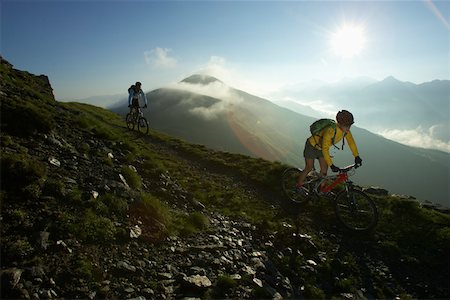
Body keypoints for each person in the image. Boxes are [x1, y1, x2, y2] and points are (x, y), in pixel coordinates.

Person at [296, 110, 362, 193]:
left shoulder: (346, 132)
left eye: (349, 125)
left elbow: (351, 142)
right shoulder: (330, 130)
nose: (348, 128)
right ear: (340, 124)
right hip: (311, 146)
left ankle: (322, 189)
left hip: (321, 148)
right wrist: (331, 165)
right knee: (309, 167)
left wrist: (357, 156)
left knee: (324, 172)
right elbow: (325, 149)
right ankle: (298, 186)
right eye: (346, 126)